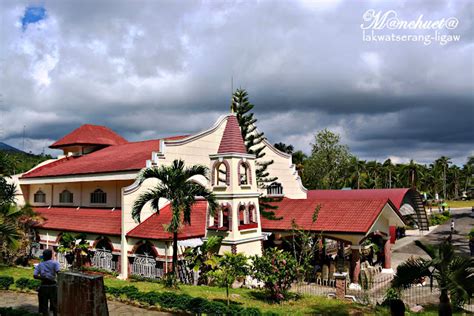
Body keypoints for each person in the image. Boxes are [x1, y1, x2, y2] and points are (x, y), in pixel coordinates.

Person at [34, 249, 60, 316]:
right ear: (51, 255)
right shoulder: (55, 263)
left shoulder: (40, 264)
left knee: (44, 306)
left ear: (44, 256)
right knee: (54, 305)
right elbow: (58, 273)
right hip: (53, 286)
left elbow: (35, 276)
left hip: (44, 286)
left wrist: (44, 278)